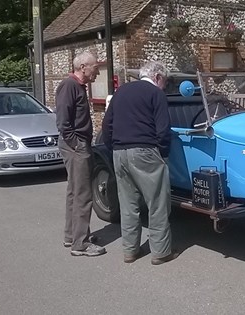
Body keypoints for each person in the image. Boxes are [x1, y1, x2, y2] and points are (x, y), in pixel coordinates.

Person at [102, 60, 178, 265]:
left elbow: (107, 125)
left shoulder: (121, 91)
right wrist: (163, 155)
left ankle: (130, 251)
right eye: (165, 80)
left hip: (119, 151)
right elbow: (163, 130)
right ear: (158, 77)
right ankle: (161, 252)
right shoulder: (156, 94)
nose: (165, 85)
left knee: (128, 204)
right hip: (145, 150)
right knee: (157, 203)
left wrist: (113, 148)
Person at [55, 51, 106, 257]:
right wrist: (78, 145)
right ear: (83, 67)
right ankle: (80, 243)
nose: (97, 72)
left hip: (75, 144)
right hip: (75, 146)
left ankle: (72, 236)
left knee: (74, 191)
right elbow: (63, 123)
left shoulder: (77, 86)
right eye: (95, 67)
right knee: (83, 194)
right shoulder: (69, 86)